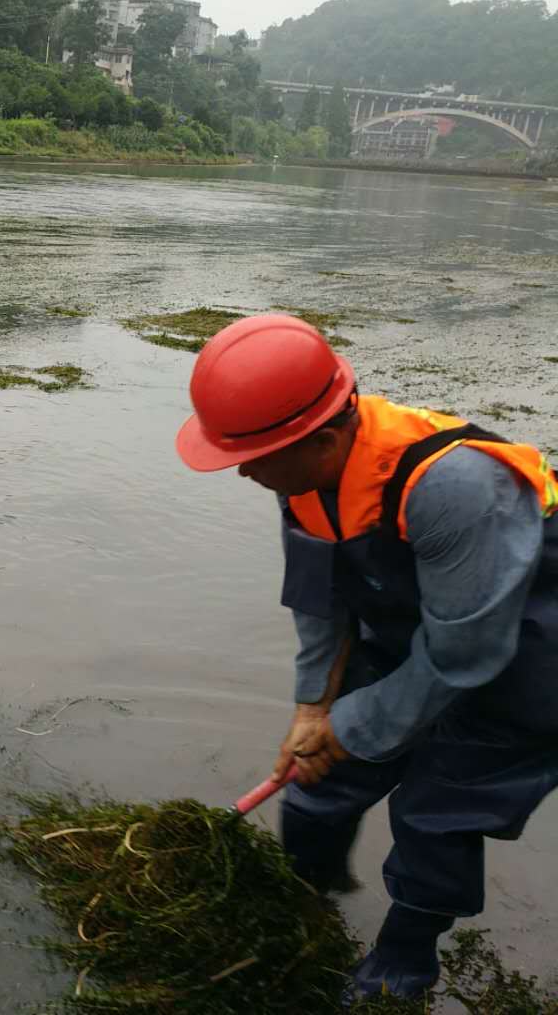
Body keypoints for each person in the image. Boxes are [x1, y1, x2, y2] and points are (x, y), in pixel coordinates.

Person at [174, 313, 558, 1000]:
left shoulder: (455, 486)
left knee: (436, 810)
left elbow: (466, 655)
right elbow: (320, 600)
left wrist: (350, 729)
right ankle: (304, 903)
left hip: (528, 644)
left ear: (320, 438)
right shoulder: (298, 476)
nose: (242, 474)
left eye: (250, 459)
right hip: (420, 624)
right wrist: (312, 707)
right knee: (316, 780)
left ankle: (404, 963)